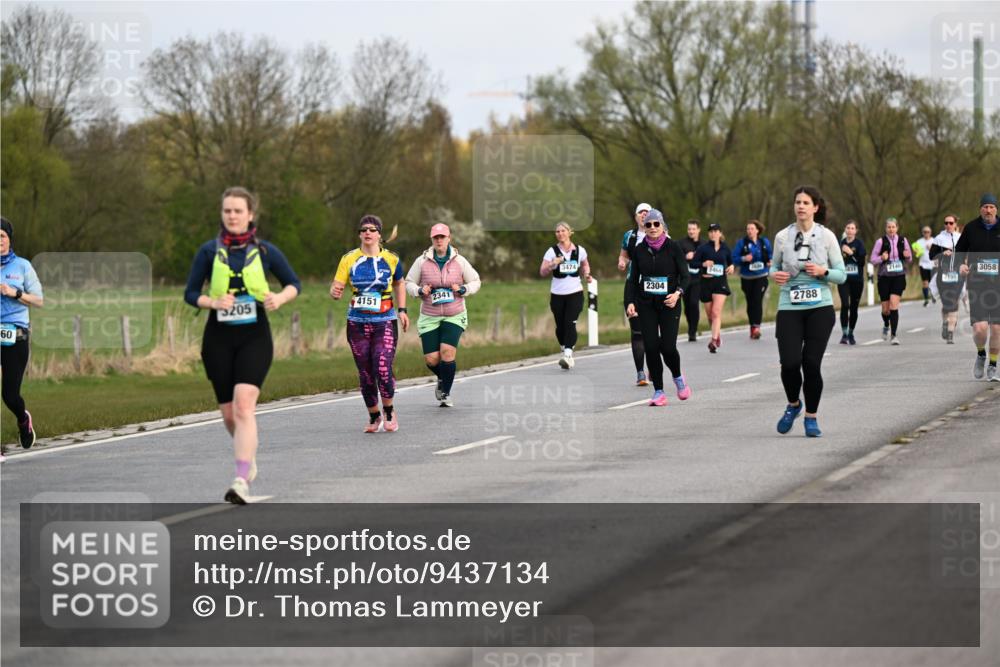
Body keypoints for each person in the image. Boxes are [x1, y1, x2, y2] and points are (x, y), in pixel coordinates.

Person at [184, 188, 301, 504]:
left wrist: (279, 297)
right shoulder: (209, 252)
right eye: (227, 211)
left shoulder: (265, 252)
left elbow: (294, 284)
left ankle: (240, 478)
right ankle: (247, 455)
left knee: (244, 406)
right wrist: (212, 301)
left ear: (250, 215)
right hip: (218, 339)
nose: (232, 216)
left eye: (238, 211)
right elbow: (191, 293)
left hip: (255, 337)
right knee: (229, 416)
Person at [770, 186, 846, 437]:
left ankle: (811, 417)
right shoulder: (782, 237)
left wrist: (823, 272)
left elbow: (841, 275)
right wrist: (775, 275)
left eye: (806, 202)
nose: (800, 206)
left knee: (811, 363)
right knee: (790, 363)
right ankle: (794, 404)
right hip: (789, 305)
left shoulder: (827, 237)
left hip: (820, 307)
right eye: (797, 202)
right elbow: (773, 267)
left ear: (815, 207)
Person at [331, 215, 410, 430]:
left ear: (379, 235)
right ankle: (374, 416)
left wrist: (402, 310)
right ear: (359, 234)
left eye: (373, 229)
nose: (368, 233)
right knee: (366, 372)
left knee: (382, 367)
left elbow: (399, 283)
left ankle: (389, 411)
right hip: (357, 321)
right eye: (364, 229)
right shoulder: (348, 259)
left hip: (384, 320)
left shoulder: (392, 259)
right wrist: (335, 291)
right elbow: (336, 286)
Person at [405, 223, 481, 407]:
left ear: (449, 239)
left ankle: (445, 393)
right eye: (436, 237)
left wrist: (463, 289)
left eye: (442, 237)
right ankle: (444, 378)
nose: (439, 240)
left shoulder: (460, 261)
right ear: (432, 240)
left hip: (454, 314)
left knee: (447, 352)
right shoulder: (422, 261)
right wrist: (419, 290)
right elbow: (408, 283)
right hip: (429, 315)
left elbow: (476, 281)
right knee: (431, 359)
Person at [624, 209, 692, 406]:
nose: (652, 228)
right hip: (646, 304)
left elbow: (686, 276)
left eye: (656, 224)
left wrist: (678, 293)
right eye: (648, 225)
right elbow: (632, 280)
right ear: (644, 228)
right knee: (651, 347)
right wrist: (630, 301)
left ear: (663, 226)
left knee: (668, 347)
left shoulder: (673, 247)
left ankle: (678, 378)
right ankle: (659, 391)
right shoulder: (639, 250)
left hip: (669, 303)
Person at [1, 217, 44, 458]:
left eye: (2, 236)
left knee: (9, 395)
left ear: (9, 239)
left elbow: (38, 300)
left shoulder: (22, 266)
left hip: (15, 335)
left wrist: (14, 292)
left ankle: (22, 418)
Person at [955, 194, 1000, 381]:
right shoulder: (971, 228)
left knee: (997, 329)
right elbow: (959, 251)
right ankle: (981, 354)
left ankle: (993, 365)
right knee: (980, 330)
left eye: (991, 206)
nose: (988, 210)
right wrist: (961, 265)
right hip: (977, 285)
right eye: (985, 207)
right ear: (980, 209)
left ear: (996, 209)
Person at [540, 221, 592, 369]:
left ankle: (568, 354)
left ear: (570, 232)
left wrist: (587, 274)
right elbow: (542, 272)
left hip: (575, 292)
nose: (560, 233)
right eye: (557, 231)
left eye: (563, 231)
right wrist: (552, 264)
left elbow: (585, 264)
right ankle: (565, 348)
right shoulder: (551, 251)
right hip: (557, 294)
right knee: (560, 326)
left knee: (570, 322)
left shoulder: (580, 250)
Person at [618, 203, 651, 385]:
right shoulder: (629, 236)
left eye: (647, 212)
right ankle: (640, 373)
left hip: (654, 287)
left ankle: (654, 366)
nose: (644, 215)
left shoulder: (661, 234)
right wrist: (622, 262)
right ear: (636, 216)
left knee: (653, 331)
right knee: (637, 331)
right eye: (641, 212)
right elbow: (623, 255)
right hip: (633, 285)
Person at [870, 217, 913, 345]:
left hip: (898, 276)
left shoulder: (903, 240)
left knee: (894, 304)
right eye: (889, 227)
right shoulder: (880, 241)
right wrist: (881, 258)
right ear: (886, 229)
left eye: (893, 227)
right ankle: (886, 324)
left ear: (897, 228)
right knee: (886, 310)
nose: (891, 229)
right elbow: (873, 259)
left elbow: (909, 258)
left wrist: (907, 256)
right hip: (884, 277)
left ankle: (894, 335)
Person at [693, 223, 734, 352]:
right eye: (710, 231)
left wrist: (731, 267)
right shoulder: (703, 248)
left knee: (716, 312)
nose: (713, 233)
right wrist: (703, 263)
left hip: (720, 282)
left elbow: (731, 262)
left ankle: (714, 340)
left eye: (715, 231)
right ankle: (717, 335)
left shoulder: (725, 248)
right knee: (710, 316)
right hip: (706, 283)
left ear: (720, 233)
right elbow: (693, 263)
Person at [732, 219, 772, 340]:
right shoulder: (741, 243)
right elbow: (734, 258)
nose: (749, 231)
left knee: (757, 300)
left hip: (761, 276)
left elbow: (770, 255)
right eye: (748, 229)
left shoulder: (764, 242)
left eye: (752, 229)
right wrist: (744, 258)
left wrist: (770, 261)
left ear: (757, 230)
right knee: (750, 302)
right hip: (747, 277)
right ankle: (752, 326)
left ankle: (757, 327)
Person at [929, 214, 964, 344]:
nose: (948, 225)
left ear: (955, 224)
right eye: (946, 223)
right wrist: (942, 253)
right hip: (943, 275)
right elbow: (931, 255)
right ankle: (945, 322)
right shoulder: (939, 238)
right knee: (946, 304)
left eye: (950, 223)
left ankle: (950, 334)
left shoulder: (961, 238)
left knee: (954, 303)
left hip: (957, 275)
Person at [837, 220, 866, 345]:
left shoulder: (859, 244)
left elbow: (861, 262)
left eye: (852, 228)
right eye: (848, 228)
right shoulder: (840, 243)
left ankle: (851, 332)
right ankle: (844, 334)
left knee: (854, 307)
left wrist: (851, 253)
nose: (849, 230)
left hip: (857, 280)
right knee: (845, 304)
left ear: (856, 231)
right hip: (843, 279)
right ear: (845, 229)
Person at [677, 219, 703, 341]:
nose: (691, 231)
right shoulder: (681, 243)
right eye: (689, 229)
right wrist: (685, 256)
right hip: (685, 279)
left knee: (694, 303)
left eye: (693, 229)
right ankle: (691, 326)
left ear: (698, 230)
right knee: (687, 306)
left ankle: (693, 331)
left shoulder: (704, 244)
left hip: (699, 279)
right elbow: (675, 258)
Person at [913, 225, 937, 307]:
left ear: (930, 233)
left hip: (932, 265)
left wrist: (932, 249)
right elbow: (915, 252)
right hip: (923, 264)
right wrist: (916, 251)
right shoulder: (919, 241)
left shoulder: (934, 241)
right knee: (925, 283)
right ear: (922, 233)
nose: (926, 233)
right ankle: (926, 299)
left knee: (932, 283)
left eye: (928, 232)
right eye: (925, 232)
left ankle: (933, 295)